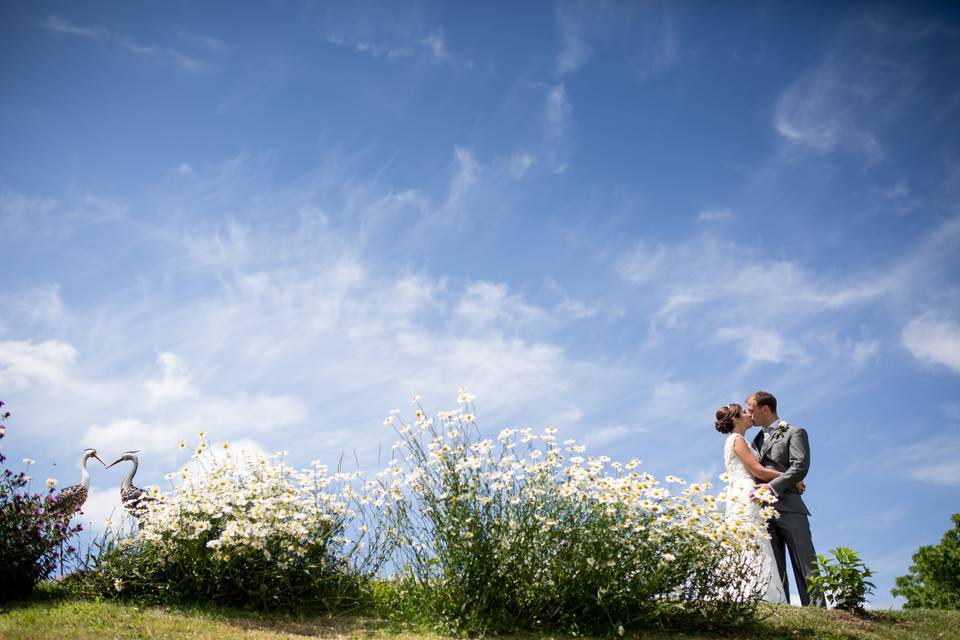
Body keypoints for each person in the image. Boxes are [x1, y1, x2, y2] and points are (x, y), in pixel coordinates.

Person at [746, 390, 825, 607]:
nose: (749, 414)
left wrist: (772, 488)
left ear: (765, 408)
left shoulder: (795, 432)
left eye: (751, 410)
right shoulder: (754, 440)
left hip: (790, 506)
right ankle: (783, 607)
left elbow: (799, 466)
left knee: (804, 561)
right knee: (775, 564)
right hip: (763, 511)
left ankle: (817, 607)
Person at [716, 403, 787, 603]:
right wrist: (791, 478)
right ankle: (758, 594)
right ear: (736, 419)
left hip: (739, 493)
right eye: (744, 412)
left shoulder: (736, 440)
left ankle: (746, 591)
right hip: (746, 493)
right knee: (753, 539)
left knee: (749, 539)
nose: (749, 414)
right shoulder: (737, 439)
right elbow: (758, 471)